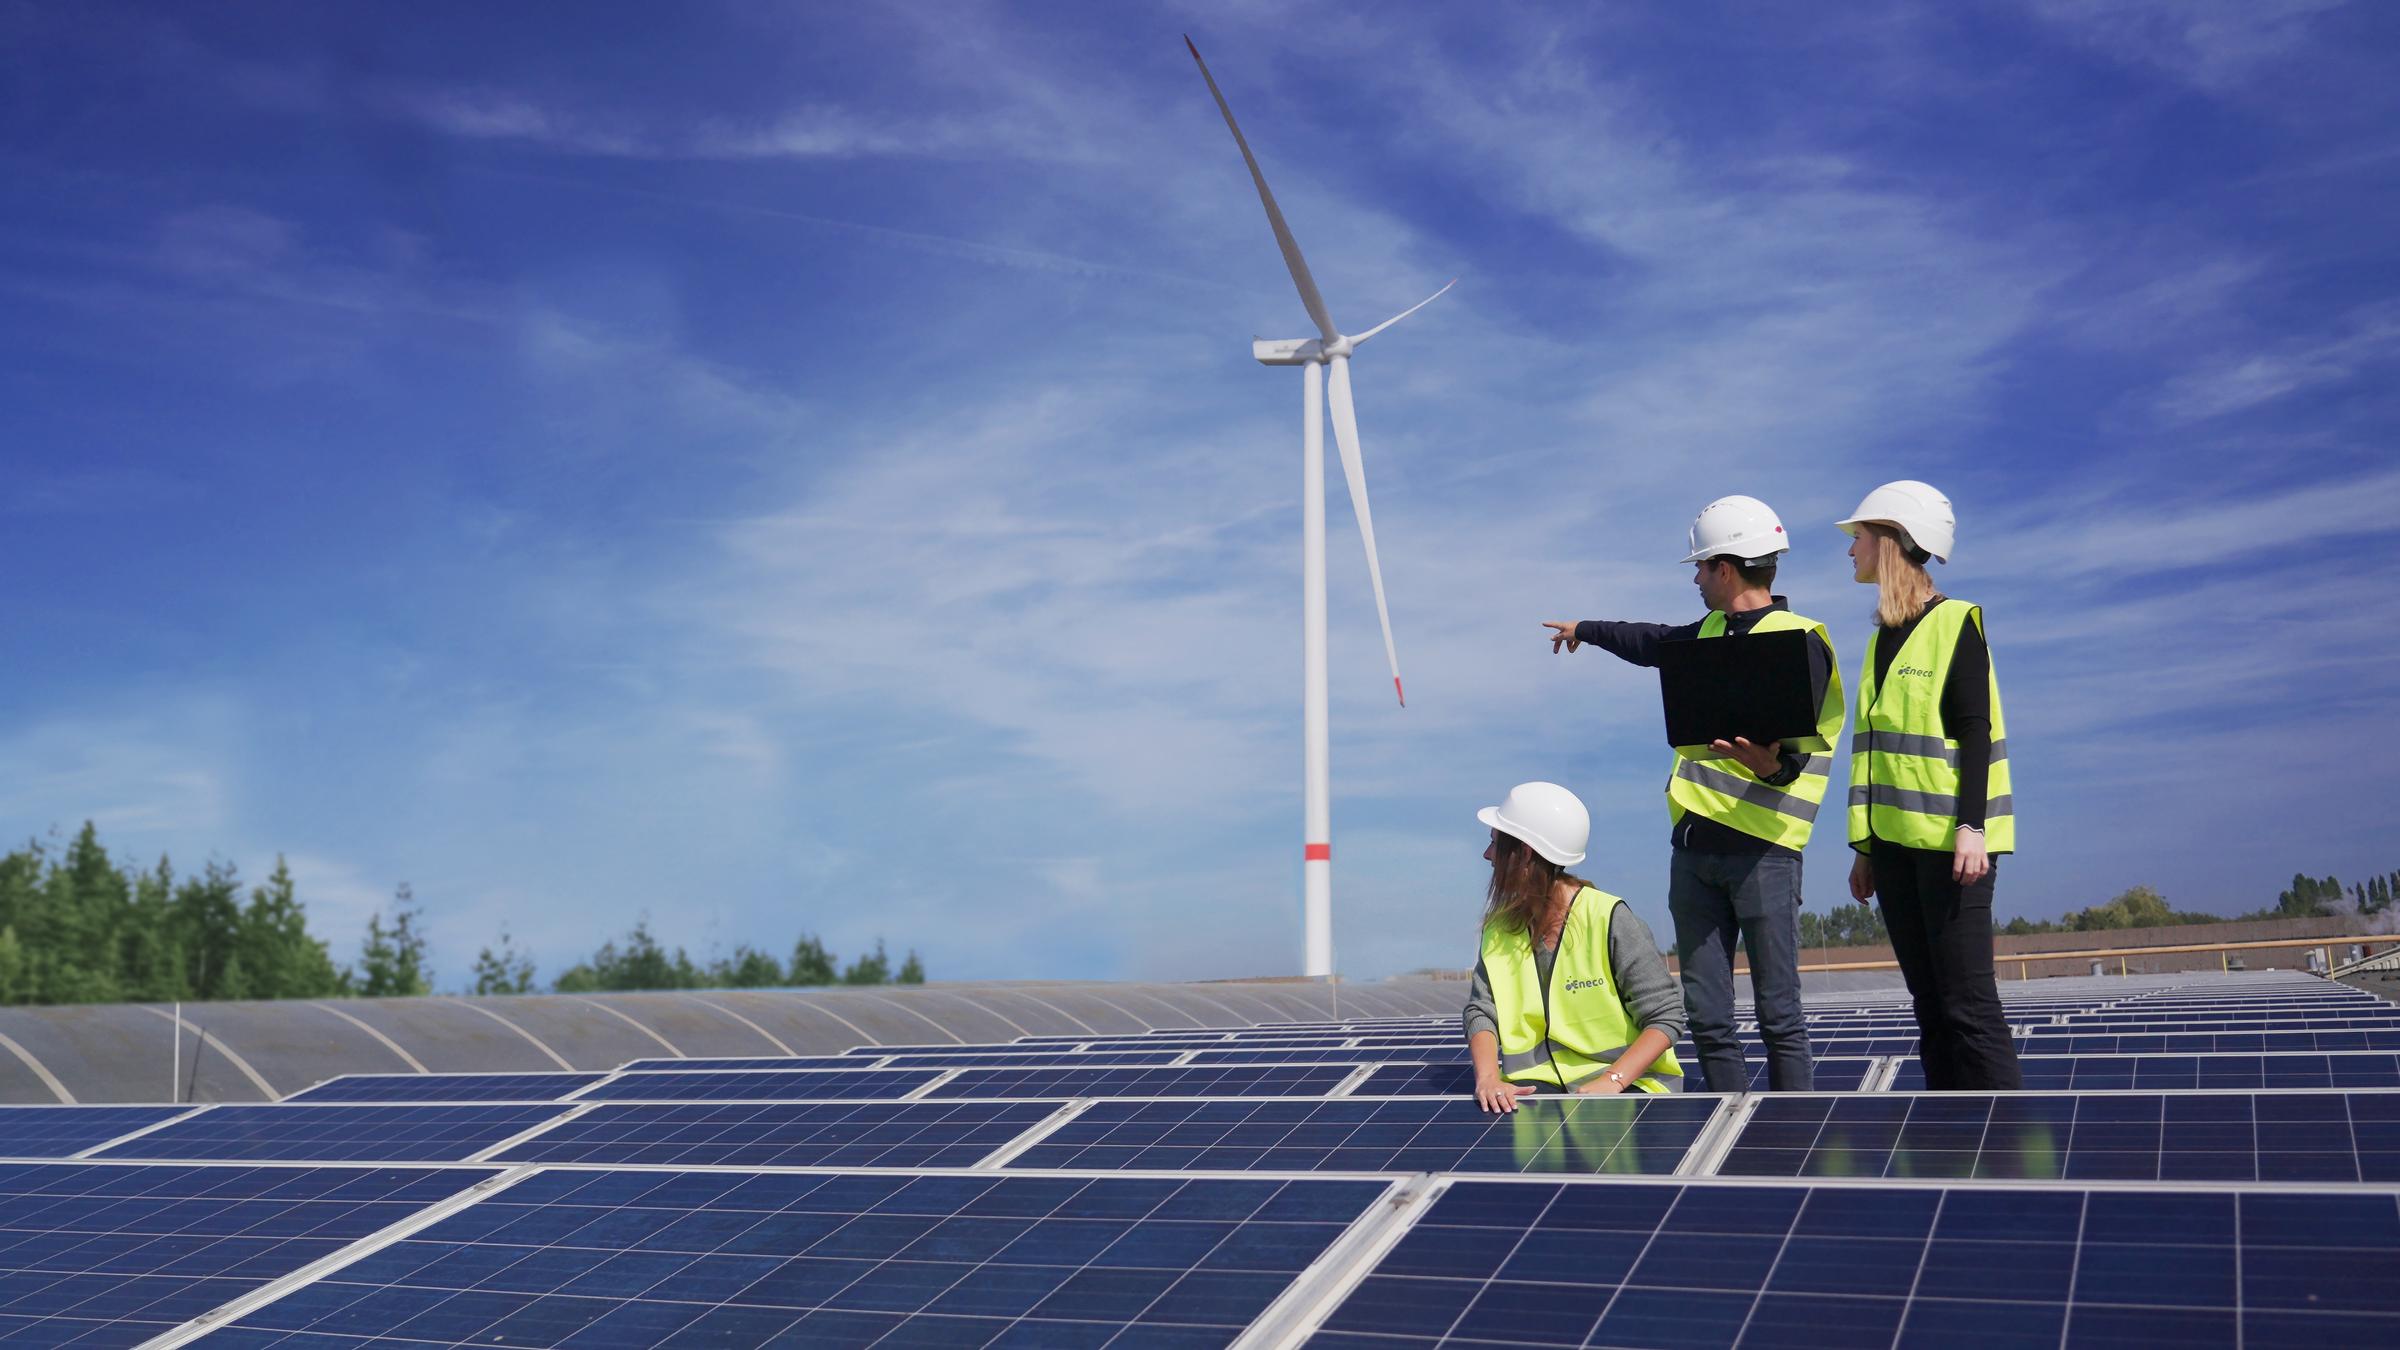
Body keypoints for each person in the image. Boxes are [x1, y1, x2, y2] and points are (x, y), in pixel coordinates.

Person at [1541, 496, 1843, 1092]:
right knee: (1707, 1018)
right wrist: (1587, 630)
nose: (1697, 580)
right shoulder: (1704, 635)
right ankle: (1730, 1146)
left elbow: (1803, 753)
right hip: (1694, 851)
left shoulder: (1799, 638)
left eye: (1700, 568)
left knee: (1778, 1014)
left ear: (1725, 569)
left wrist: (1770, 766)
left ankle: (1793, 1142)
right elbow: (1649, 641)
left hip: (1765, 852)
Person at [1838, 480, 2021, 1091]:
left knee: (1968, 1006)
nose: (1851, 550)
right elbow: (1875, 758)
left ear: (1892, 540)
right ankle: (1956, 1144)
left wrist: (1973, 829)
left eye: (1859, 536)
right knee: (1930, 1008)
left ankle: (2007, 1154)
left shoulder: (1956, 624)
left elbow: (1976, 732)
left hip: (1953, 849)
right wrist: (1866, 850)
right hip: (1892, 851)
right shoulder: (1877, 639)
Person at [1464, 781, 1686, 1110]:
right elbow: (1481, 1011)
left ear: (1525, 853)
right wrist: (1487, 1078)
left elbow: (1667, 1016)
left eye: (1496, 844)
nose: (1487, 855)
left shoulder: (1608, 917)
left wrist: (1613, 1081)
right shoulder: (1499, 928)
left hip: (1631, 1083)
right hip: (1539, 1087)